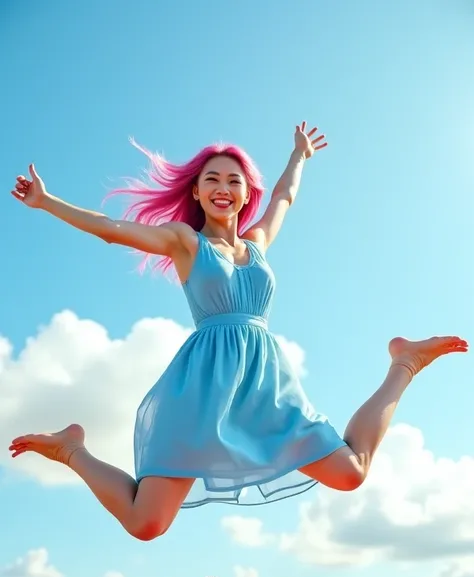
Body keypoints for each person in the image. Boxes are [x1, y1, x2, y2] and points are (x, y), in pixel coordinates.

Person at [9, 122, 468, 540]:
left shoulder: (258, 244)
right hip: (201, 391)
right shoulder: (185, 242)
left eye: (234, 180)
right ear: (196, 192)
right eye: (212, 180)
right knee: (145, 523)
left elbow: (284, 197)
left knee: (350, 472)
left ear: (247, 194)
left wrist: (299, 156)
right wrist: (46, 202)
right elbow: (112, 230)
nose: (223, 188)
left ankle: (405, 361)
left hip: (264, 389)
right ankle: (72, 450)